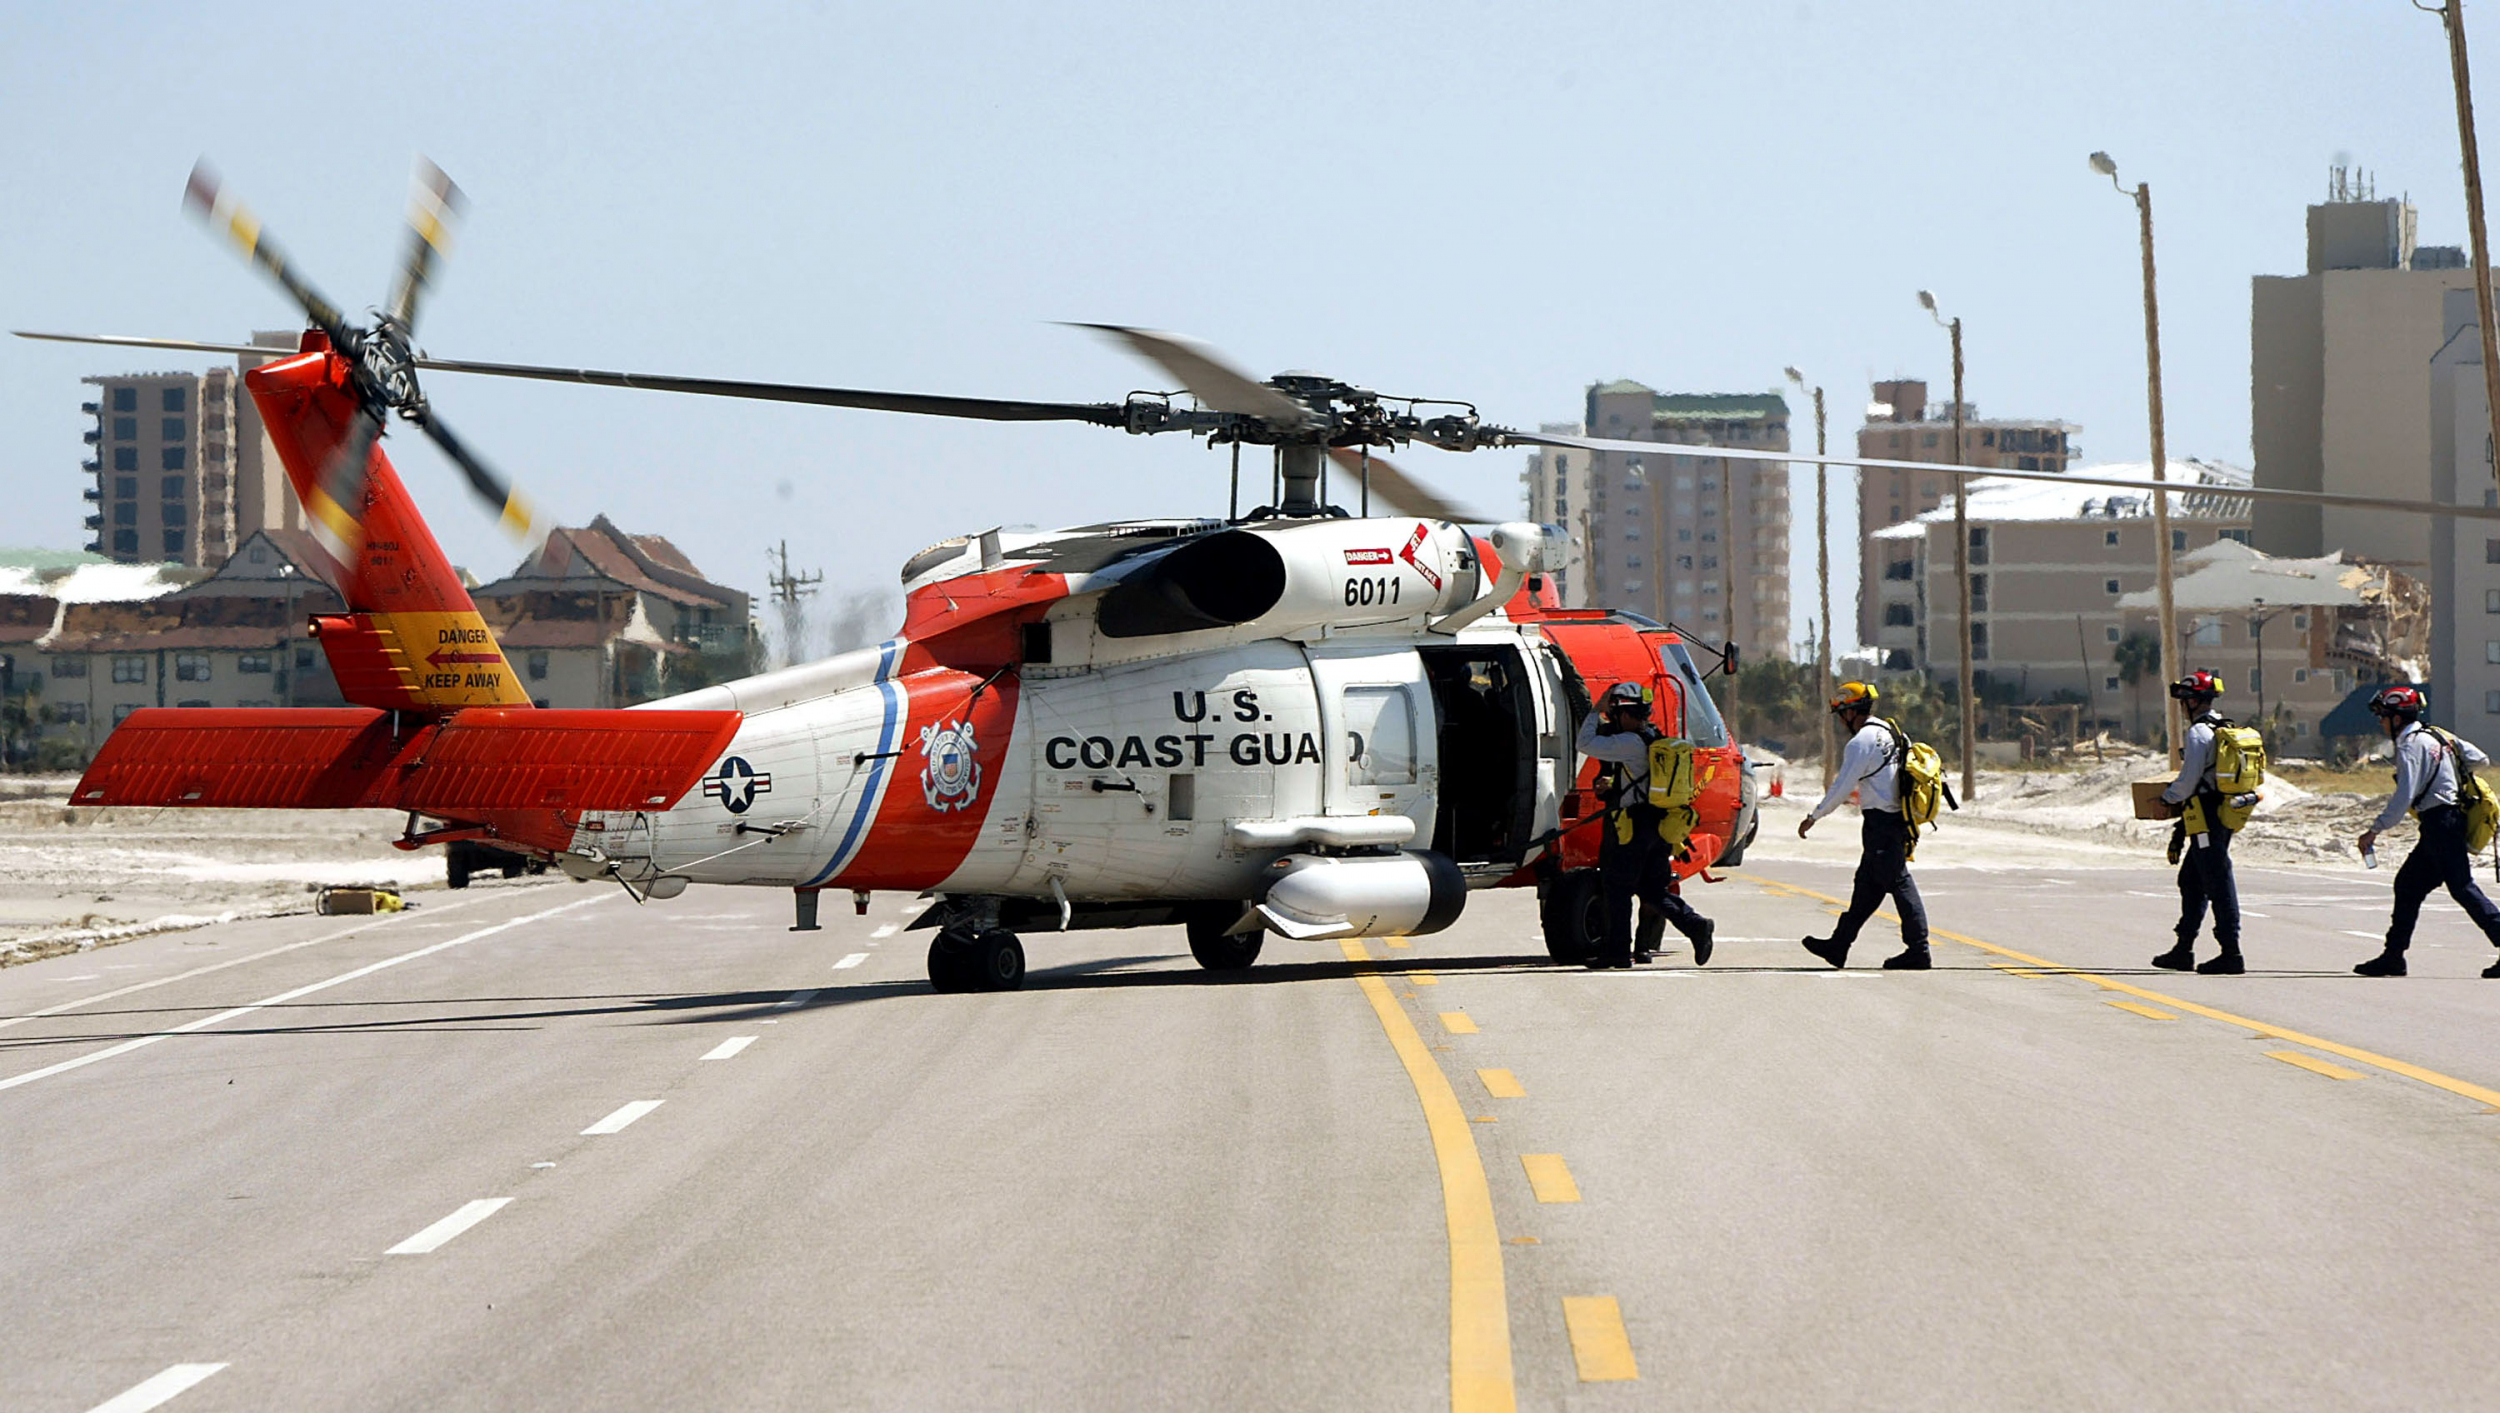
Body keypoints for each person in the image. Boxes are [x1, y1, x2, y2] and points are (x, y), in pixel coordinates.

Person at [2352, 685, 2500, 977]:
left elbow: (2403, 796)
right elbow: (2479, 759)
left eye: (2383, 716)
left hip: (2441, 823)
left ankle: (2394, 955)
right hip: (2443, 822)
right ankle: (2393, 956)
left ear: (2397, 718)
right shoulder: (2438, 735)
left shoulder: (2409, 745)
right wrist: (2449, 773)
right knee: (2408, 884)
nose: (2381, 722)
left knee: (2462, 887)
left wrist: (2374, 830)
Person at [1574, 681, 1716, 970]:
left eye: (1614, 713)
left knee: (1617, 889)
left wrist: (1594, 711)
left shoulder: (1629, 741)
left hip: (1632, 826)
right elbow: (1647, 780)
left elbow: (1584, 743)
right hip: (1658, 825)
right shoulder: (1655, 738)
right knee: (1653, 890)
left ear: (1625, 714)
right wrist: (1614, 784)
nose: (1612, 718)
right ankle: (1695, 925)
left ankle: (1615, 953)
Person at [1796, 680, 1931, 970]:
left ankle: (1919, 950)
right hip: (1895, 821)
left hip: (1882, 824)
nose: (1842, 721)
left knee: (1898, 882)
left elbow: (1843, 785)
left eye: (1842, 714)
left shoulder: (1862, 742)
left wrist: (1815, 816)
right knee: (1867, 886)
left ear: (1851, 711)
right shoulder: (1893, 732)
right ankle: (1838, 945)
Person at [2151, 670, 2245, 975]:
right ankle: (2183, 949)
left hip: (2206, 818)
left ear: (2192, 701)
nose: (2181, 707)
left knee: (2217, 880)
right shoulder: (2223, 728)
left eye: (2183, 701)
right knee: (2191, 879)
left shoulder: (2198, 734)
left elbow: (2188, 780)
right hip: (2219, 814)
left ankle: (2231, 953)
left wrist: (2166, 799)